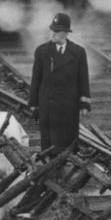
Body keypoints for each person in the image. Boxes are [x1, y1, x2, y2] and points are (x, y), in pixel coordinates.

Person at [28, 12, 92, 154]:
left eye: (57, 31)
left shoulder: (78, 52)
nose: (54, 34)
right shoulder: (42, 51)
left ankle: (66, 162)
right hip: (48, 104)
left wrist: (84, 103)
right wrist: (33, 104)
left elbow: (83, 79)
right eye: (53, 30)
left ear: (66, 33)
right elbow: (35, 79)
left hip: (68, 105)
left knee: (67, 141)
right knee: (49, 142)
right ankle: (51, 166)